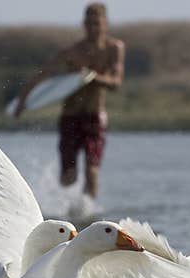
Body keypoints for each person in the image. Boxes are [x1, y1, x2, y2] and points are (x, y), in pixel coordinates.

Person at [14, 3, 124, 200]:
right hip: (70, 116)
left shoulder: (114, 49)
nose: (93, 29)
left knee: (92, 170)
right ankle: (64, 213)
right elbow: (42, 75)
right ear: (83, 24)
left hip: (95, 116)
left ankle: (88, 213)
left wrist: (92, 77)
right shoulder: (71, 52)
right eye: (89, 24)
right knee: (68, 177)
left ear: (105, 24)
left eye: (97, 24)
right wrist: (22, 102)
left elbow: (116, 82)